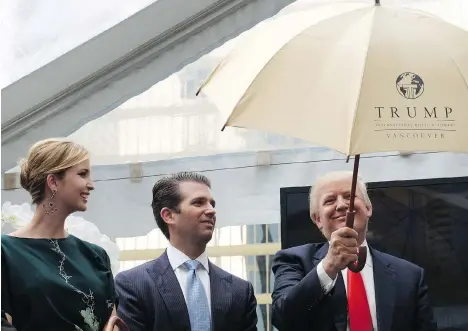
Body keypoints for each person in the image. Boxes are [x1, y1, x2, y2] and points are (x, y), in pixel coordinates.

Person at [271, 171, 437, 331]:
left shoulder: (410, 276)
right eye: (329, 200)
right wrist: (328, 267)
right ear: (317, 219)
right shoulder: (293, 261)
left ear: (368, 208)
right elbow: (283, 318)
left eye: (349, 196)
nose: (342, 205)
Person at [115, 171, 258, 331]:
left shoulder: (240, 291)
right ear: (168, 215)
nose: (211, 210)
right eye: (198, 203)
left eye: (212, 204)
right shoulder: (134, 285)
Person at [1, 138, 118, 331]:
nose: (91, 185)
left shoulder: (96, 256)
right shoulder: (5, 252)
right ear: (53, 181)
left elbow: (113, 323)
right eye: (82, 174)